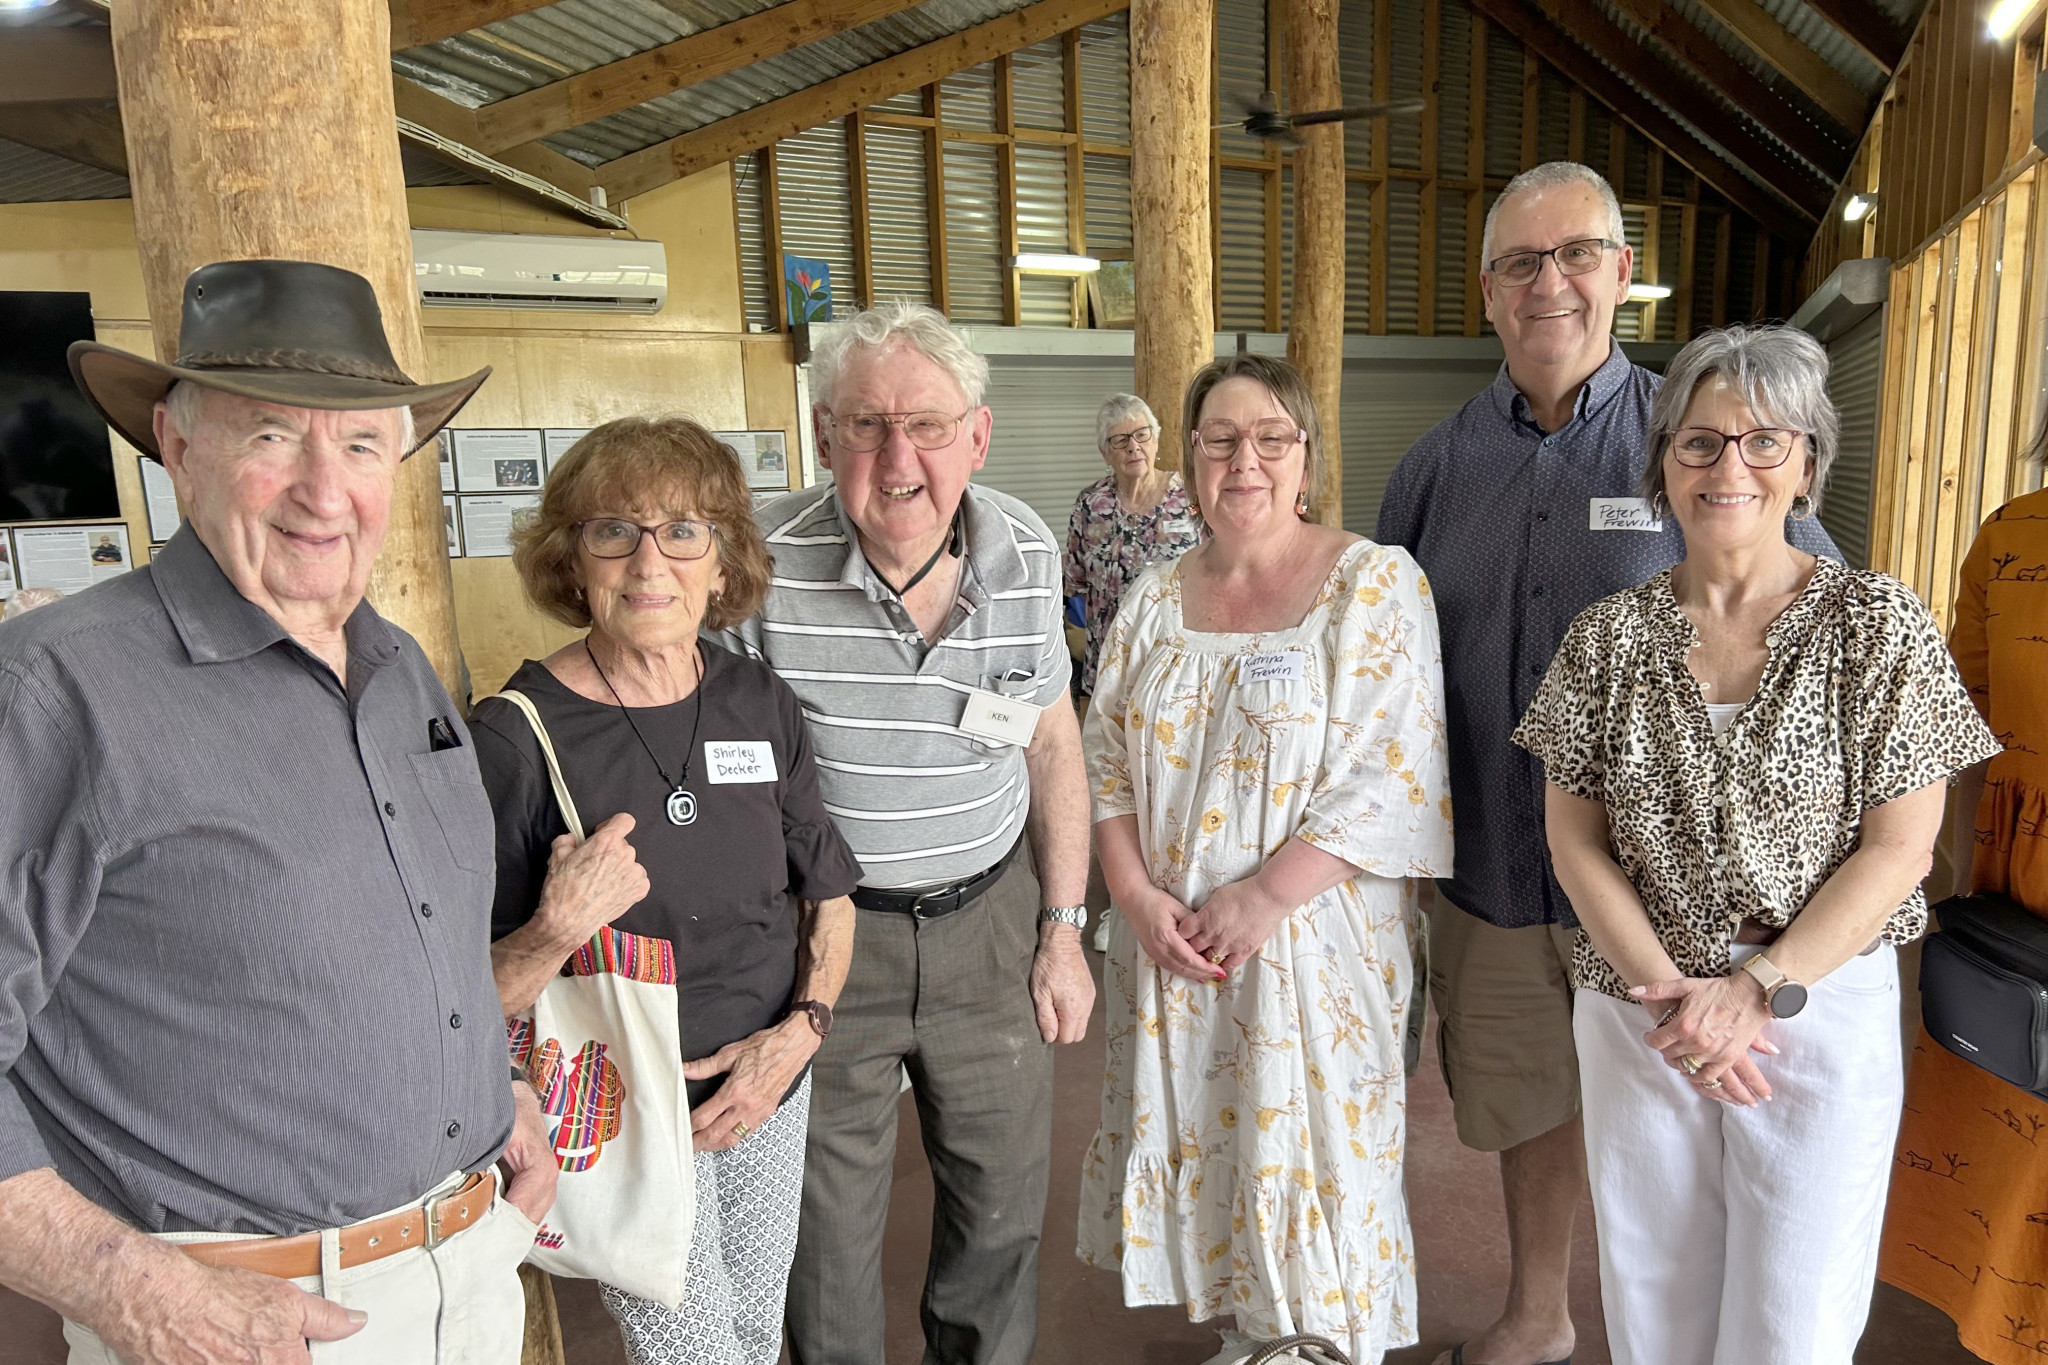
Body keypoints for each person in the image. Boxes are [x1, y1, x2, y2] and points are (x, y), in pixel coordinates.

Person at [0, 259, 557, 1365]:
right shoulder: (56, 688)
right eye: (269, 437)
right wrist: (133, 1293)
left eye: (359, 444)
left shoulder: (398, 669)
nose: (323, 487)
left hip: (472, 1274)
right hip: (231, 1321)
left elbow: (414, 943)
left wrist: (489, 1089)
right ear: (177, 442)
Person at [1375, 162, 1839, 1365]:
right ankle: (1538, 1313)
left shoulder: (1699, 448)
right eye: (1521, 262)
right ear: (1487, 292)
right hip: (1495, 857)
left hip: (1669, 887)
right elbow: (1378, 670)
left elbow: (1815, 615)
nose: (1550, 283)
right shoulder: (1430, 473)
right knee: (1527, 1095)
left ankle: (1710, 1334)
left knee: (1682, 1112)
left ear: (1624, 273)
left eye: (1576, 253)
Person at [1512, 323, 1999, 1364]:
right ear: (1661, 467)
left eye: (1760, 441)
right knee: (1653, 1294)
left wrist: (1752, 987)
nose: (1726, 466)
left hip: (1812, 1009)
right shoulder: (1601, 638)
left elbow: (1901, 848)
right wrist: (1676, 999)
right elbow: (1572, 843)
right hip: (1639, 1008)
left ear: (1805, 464)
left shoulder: (1876, 625)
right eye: (1697, 443)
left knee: (1795, 1312)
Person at [716, 302, 1095, 1365]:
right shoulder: (759, 569)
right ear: (825, 433)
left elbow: (1052, 745)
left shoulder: (1023, 547)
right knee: (821, 1239)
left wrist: (1062, 929)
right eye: (867, 424)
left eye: (927, 426)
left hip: (989, 931)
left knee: (1000, 1213)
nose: (898, 458)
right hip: (826, 947)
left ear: (975, 437)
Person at [1078, 352, 1454, 1365]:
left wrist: (1261, 897)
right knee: (1216, 1138)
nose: (1243, 460)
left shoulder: (1368, 582)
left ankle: (1324, 1343)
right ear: (1189, 459)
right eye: (1219, 439)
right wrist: (1130, 895)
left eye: (1269, 439)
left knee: (1316, 1145)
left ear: (1305, 458)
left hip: (1309, 941)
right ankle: (1253, 1336)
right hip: (1174, 944)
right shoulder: (1154, 599)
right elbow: (1100, 757)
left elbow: (1392, 768)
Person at [472, 417, 862, 1365]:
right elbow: (460, 997)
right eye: (615, 530)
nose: (651, 561)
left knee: (756, 1333)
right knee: (698, 1352)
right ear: (574, 561)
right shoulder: (515, 736)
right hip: (626, 1101)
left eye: (685, 531)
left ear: (723, 565)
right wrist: (559, 923)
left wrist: (801, 1029)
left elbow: (830, 896)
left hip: (770, 1079)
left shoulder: (758, 700)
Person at [1878, 455, 2048, 1362]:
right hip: (2023, 908)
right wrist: (1955, 886)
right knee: (2018, 1174)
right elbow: (1964, 723)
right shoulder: (2016, 534)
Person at [1061, 393, 1204, 696]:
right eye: (1120, 440)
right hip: (1108, 659)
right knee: (1106, 742)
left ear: (1155, 440)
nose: (1133, 446)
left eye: (1142, 434)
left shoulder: (1192, 499)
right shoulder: (1090, 504)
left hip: (1175, 657)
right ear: (1105, 453)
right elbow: (1075, 580)